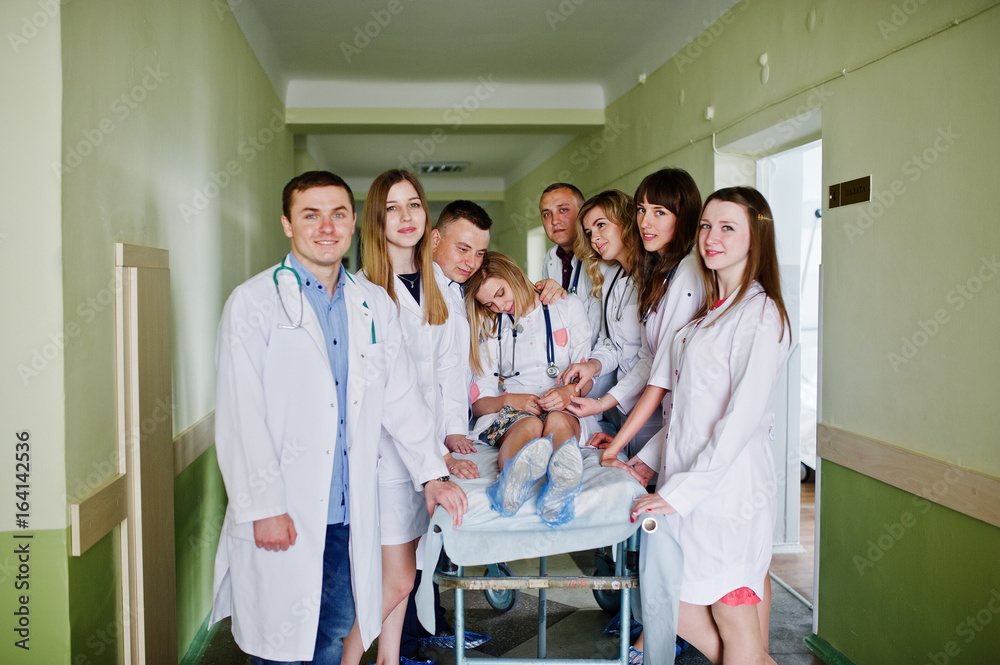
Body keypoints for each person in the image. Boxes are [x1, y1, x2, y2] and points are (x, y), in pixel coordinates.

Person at [210, 170, 468, 665]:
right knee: (281, 651)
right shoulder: (253, 304)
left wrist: (432, 474)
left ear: (353, 224)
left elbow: (401, 397)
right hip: (286, 512)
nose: (326, 227)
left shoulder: (370, 304)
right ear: (288, 224)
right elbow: (242, 416)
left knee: (330, 638)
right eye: (311, 215)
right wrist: (263, 505)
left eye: (338, 215)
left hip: (350, 516)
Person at [628, 187, 791, 665]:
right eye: (705, 226)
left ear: (754, 238)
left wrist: (678, 494)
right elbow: (688, 415)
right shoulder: (705, 319)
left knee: (731, 613)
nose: (711, 237)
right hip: (686, 486)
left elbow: (739, 420)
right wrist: (644, 461)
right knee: (670, 599)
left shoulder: (761, 314)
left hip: (730, 495)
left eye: (727, 227)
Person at [343, 170, 479, 665]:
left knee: (409, 569)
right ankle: (348, 657)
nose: (406, 216)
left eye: (415, 204)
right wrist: (431, 461)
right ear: (375, 221)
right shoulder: (361, 294)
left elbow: (449, 370)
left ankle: (389, 658)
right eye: (393, 207)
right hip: (384, 456)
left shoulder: (440, 285)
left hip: (425, 453)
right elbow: (386, 394)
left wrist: (450, 441)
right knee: (396, 578)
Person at [466, 252, 597, 526]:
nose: (501, 306)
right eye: (490, 303)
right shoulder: (489, 325)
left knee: (558, 420)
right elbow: (479, 404)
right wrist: (510, 400)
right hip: (514, 411)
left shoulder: (565, 305)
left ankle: (562, 483)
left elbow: (585, 376)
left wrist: (567, 392)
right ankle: (511, 480)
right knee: (528, 427)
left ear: (513, 271)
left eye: (501, 293)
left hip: (565, 405)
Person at [555, 190, 652, 450]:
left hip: (650, 405)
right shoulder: (612, 277)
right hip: (624, 406)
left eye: (601, 225)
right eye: (588, 232)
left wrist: (602, 402)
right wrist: (593, 366)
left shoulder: (653, 276)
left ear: (626, 221)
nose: (594, 238)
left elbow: (651, 357)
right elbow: (612, 342)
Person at [536, 182, 606, 347]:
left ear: (582, 213)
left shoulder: (601, 255)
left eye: (563, 210)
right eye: (547, 214)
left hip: (596, 361)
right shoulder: (550, 258)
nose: (554, 221)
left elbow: (600, 326)